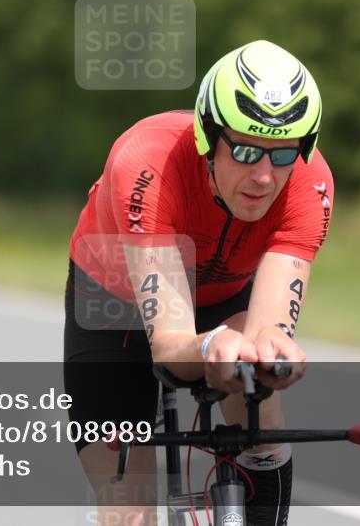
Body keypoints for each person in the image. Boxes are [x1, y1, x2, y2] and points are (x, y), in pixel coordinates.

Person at [64, 40, 333, 526]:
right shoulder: (148, 162)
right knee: (128, 506)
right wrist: (210, 345)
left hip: (223, 298)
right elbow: (171, 347)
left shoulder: (310, 185)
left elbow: (269, 328)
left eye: (282, 154)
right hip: (115, 306)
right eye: (246, 150)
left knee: (263, 416)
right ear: (208, 137)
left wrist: (272, 349)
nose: (264, 177)